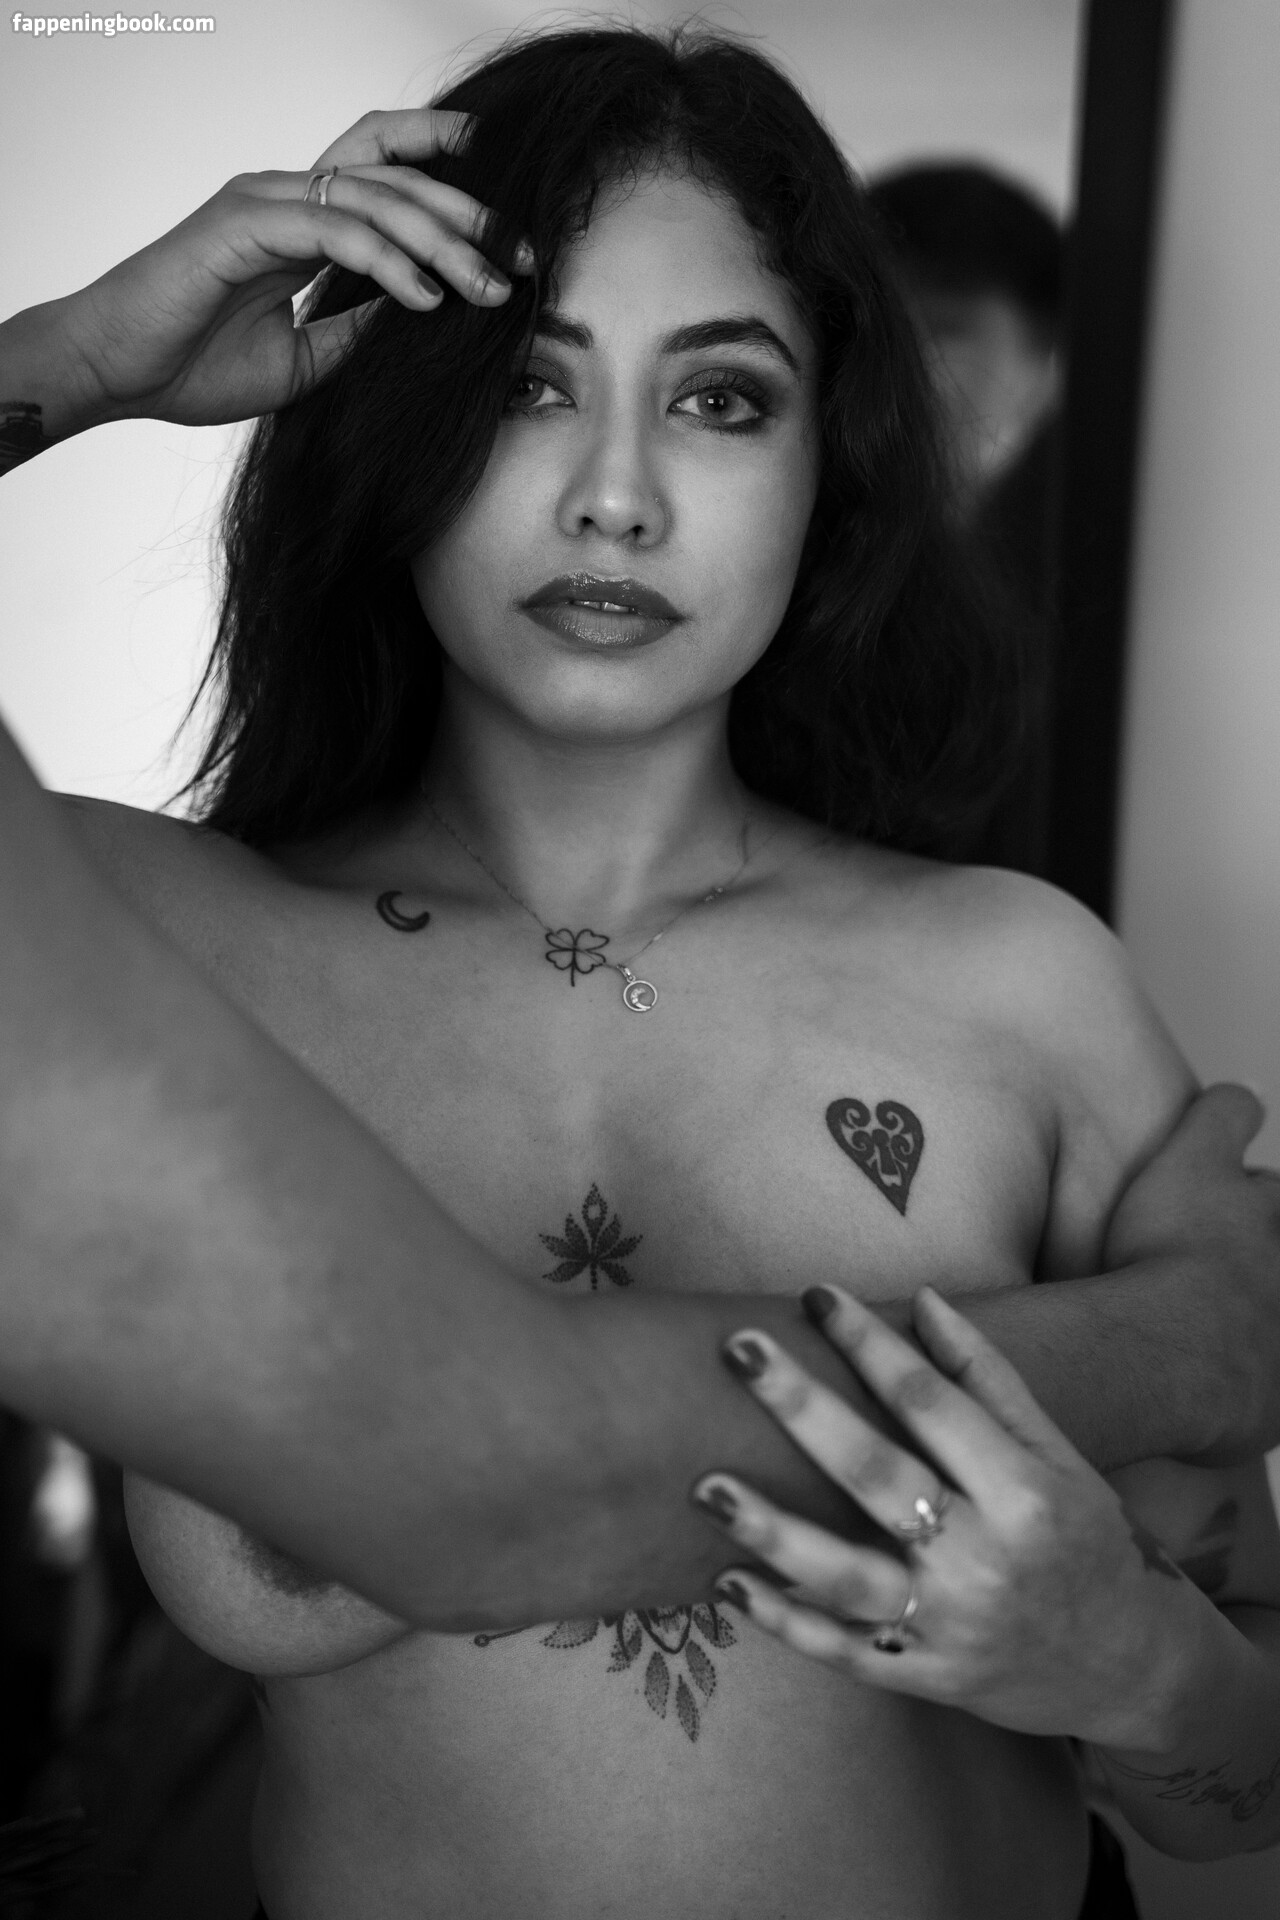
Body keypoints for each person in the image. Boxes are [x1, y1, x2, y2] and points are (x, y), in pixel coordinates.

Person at [2, 22, 1280, 1917]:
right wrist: (73, 358)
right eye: (525, 383)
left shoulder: (1026, 991)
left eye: (721, 399)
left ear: (831, 464)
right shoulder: (158, 941)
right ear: (398, 423)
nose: (615, 495)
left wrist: (1139, 1669)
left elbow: (1237, 1798)